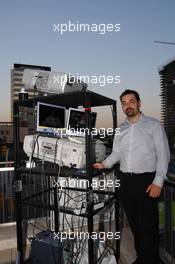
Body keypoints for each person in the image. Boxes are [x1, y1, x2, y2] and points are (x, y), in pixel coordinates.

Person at [93, 89, 170, 264]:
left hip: (146, 180)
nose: (128, 105)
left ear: (139, 103)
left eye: (131, 101)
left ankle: (150, 260)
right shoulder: (121, 129)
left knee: (148, 226)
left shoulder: (154, 125)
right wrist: (104, 164)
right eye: (124, 103)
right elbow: (116, 154)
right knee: (135, 225)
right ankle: (143, 257)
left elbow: (163, 155)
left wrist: (158, 182)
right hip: (125, 181)